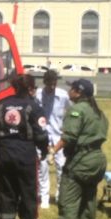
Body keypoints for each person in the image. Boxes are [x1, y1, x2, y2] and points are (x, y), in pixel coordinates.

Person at [45, 78, 108, 219]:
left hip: (81, 161)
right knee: (88, 201)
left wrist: (53, 151)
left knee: (68, 203)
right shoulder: (98, 112)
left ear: (78, 92)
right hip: (97, 159)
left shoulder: (76, 110)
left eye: (72, 88)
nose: (69, 91)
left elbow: (69, 137)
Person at [0, 73, 50, 219]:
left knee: (7, 192)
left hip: (5, 154)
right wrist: (44, 150)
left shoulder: (3, 106)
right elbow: (41, 135)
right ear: (30, 88)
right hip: (25, 156)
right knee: (28, 193)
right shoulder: (34, 107)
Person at [35, 69, 72, 208]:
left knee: (61, 166)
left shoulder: (63, 95)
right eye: (49, 84)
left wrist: (66, 127)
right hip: (42, 136)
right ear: (44, 82)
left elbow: (71, 111)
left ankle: (59, 196)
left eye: (54, 84)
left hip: (58, 136)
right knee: (42, 167)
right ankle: (43, 197)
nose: (52, 87)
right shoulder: (38, 95)